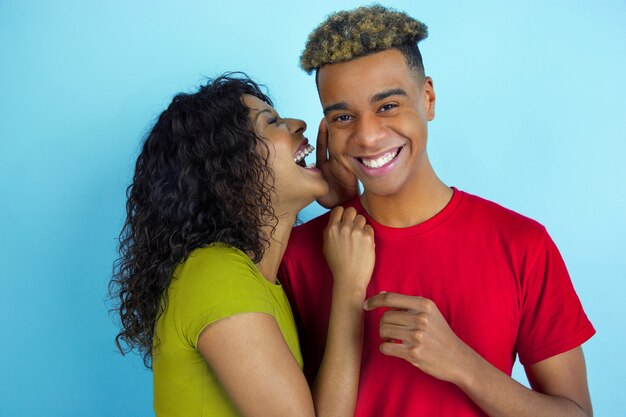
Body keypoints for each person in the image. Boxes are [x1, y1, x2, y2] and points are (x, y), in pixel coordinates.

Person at [279, 5, 595, 417]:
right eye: (343, 117)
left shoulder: (522, 245)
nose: (368, 136)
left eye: (388, 106)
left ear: (427, 98)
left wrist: (462, 364)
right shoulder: (299, 255)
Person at [109, 73, 375, 417]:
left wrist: (345, 204)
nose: (299, 124)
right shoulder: (216, 275)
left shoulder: (256, 281)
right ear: (232, 169)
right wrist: (350, 289)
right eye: (273, 122)